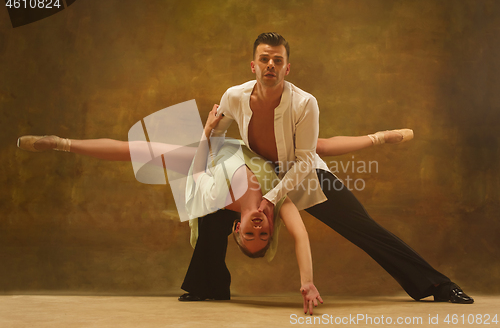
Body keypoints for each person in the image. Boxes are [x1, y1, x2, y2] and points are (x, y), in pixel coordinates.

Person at [178, 32, 474, 305]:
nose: (270, 65)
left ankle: (439, 286)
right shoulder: (234, 96)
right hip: (261, 173)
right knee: (211, 210)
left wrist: (272, 197)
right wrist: (209, 137)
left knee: (364, 228)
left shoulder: (305, 103)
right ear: (253, 65)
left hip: (304, 176)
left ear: (287, 68)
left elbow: (306, 160)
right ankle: (209, 286)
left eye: (277, 60)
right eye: (264, 59)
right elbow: (218, 133)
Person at [17, 116, 412, 314]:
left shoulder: (218, 200)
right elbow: (302, 238)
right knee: (315, 146)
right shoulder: (280, 202)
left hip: (219, 151)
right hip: (263, 152)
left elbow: (141, 153)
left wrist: (206, 131)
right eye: (262, 237)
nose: (257, 231)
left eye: (248, 237)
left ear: (237, 229)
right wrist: (307, 283)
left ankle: (62, 143)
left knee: (142, 151)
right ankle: (381, 136)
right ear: (267, 227)